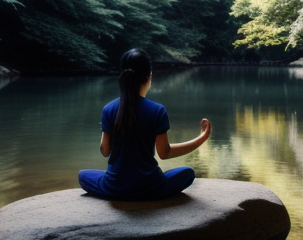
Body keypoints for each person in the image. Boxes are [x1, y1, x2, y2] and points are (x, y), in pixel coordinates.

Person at [78, 48, 211, 200]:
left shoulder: (108, 109)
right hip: (151, 187)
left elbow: (105, 150)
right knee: (188, 172)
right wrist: (201, 138)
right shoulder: (157, 110)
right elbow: (164, 152)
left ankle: (118, 188)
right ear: (149, 76)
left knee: (83, 175)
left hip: (114, 187)